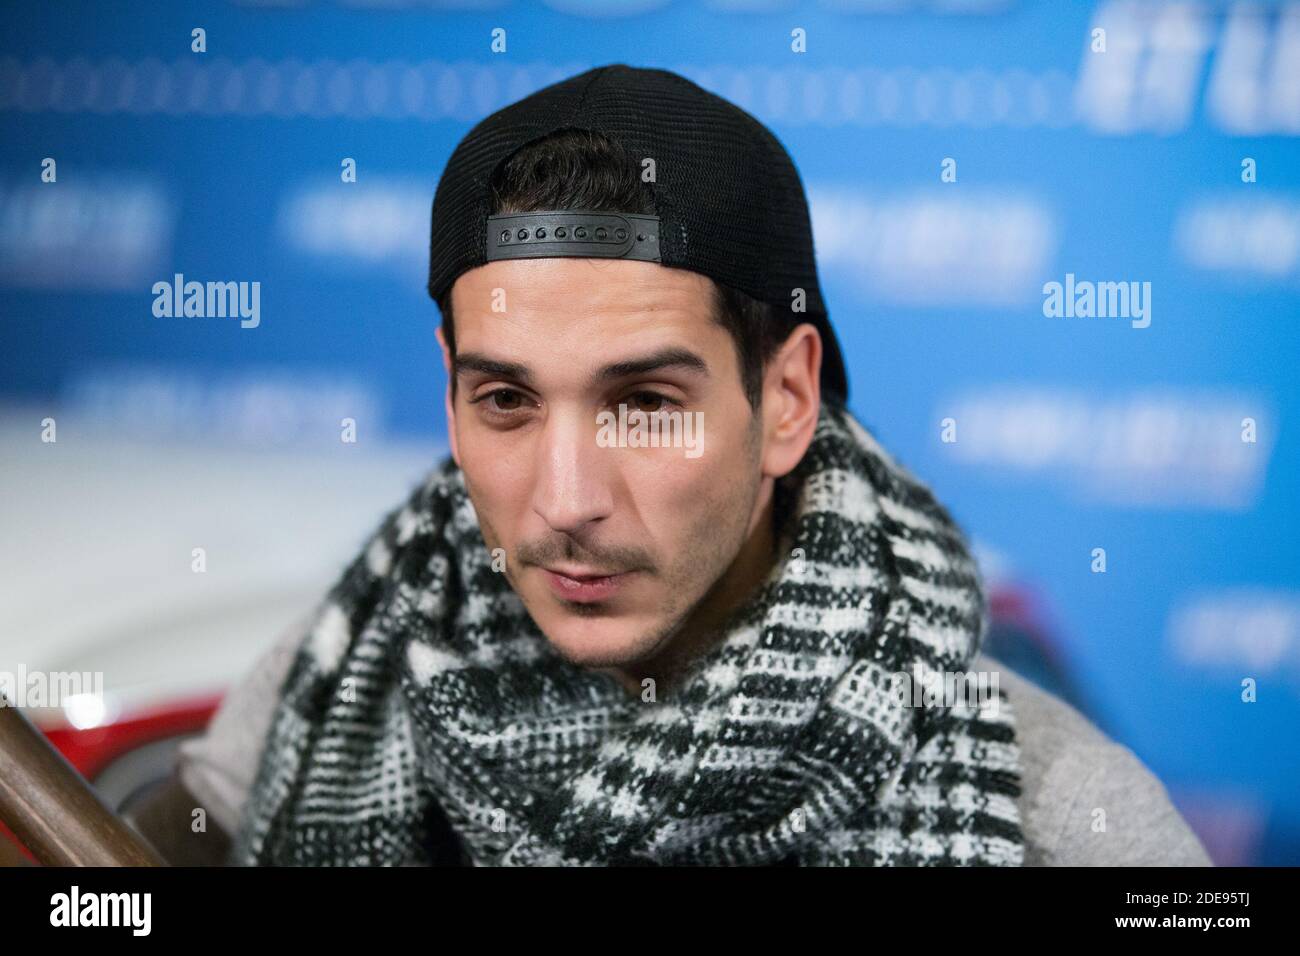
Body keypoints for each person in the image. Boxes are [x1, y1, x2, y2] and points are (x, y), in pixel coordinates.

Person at [131, 64, 1211, 867]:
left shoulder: (1066, 819)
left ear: (785, 399)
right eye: (504, 400)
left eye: (644, 403)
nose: (563, 502)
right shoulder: (353, 657)